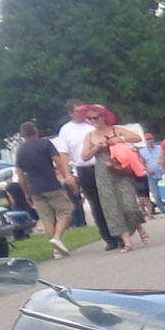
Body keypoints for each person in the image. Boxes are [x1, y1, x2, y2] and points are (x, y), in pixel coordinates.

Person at [56, 98, 123, 251]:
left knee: (110, 200)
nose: (83, 114)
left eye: (83, 109)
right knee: (96, 204)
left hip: (102, 164)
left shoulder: (92, 122)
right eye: (78, 111)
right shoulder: (66, 130)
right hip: (84, 168)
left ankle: (120, 233)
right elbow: (64, 153)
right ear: (71, 113)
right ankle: (108, 237)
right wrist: (67, 174)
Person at [82, 106, 149, 247]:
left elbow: (136, 137)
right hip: (102, 172)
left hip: (120, 169)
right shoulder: (89, 136)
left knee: (129, 205)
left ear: (103, 117)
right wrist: (97, 147)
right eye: (90, 118)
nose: (93, 121)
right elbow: (84, 156)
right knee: (111, 207)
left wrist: (120, 138)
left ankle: (139, 228)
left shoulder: (115, 129)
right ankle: (126, 242)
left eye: (96, 117)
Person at [14, 120, 76, 255]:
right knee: (65, 213)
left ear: (22, 135)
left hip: (35, 189)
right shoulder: (45, 144)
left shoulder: (20, 150)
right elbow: (58, 161)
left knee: (47, 219)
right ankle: (57, 239)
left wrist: (26, 192)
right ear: (36, 131)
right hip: (51, 185)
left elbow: (20, 175)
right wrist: (66, 175)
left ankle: (56, 251)